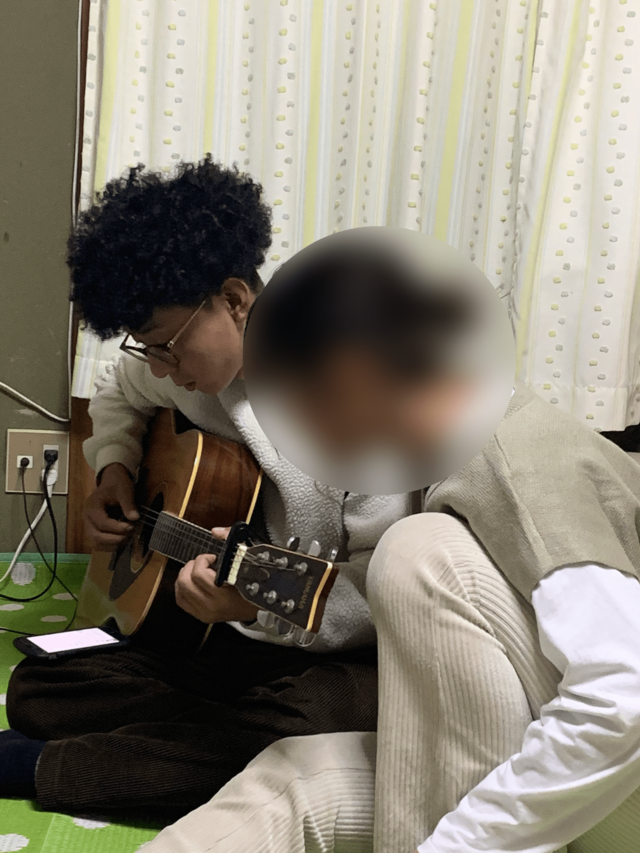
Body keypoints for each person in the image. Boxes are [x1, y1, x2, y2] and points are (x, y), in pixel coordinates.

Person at [145, 227, 640, 853]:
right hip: (542, 735)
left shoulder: (516, 459)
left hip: (617, 779)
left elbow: (620, 698)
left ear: (353, 371)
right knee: (289, 777)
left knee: (418, 551)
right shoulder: (442, 459)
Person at [0, 163, 413, 824]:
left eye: (168, 346)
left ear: (235, 299)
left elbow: (380, 594)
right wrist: (113, 467)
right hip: (242, 642)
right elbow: (118, 391)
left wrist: (253, 602)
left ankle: (51, 766)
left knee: (297, 724)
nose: (163, 370)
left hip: (351, 654)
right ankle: (201, 745)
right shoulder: (189, 374)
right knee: (39, 686)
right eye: (148, 350)